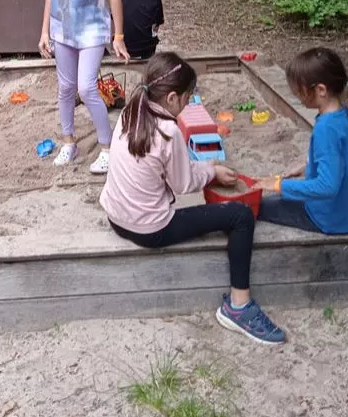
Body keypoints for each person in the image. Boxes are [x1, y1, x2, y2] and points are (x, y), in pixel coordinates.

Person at [101, 52, 286, 345]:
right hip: (150, 229)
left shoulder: (131, 112)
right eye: (188, 98)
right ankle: (238, 306)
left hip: (116, 217)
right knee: (240, 216)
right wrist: (212, 173)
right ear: (172, 98)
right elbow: (184, 183)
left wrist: (208, 166)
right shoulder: (169, 130)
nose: (188, 105)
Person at [38, 0, 130, 175]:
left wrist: (118, 35)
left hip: (92, 31)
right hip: (62, 30)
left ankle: (107, 147)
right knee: (65, 88)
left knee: (86, 87)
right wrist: (44, 31)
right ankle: (69, 142)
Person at [255, 47, 348, 234]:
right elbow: (338, 160)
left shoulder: (326, 128)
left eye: (298, 89)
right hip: (343, 214)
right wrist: (307, 167)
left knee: (254, 208)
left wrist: (277, 185)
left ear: (321, 90)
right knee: (272, 201)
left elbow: (327, 186)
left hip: (325, 218)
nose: (295, 94)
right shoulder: (344, 116)